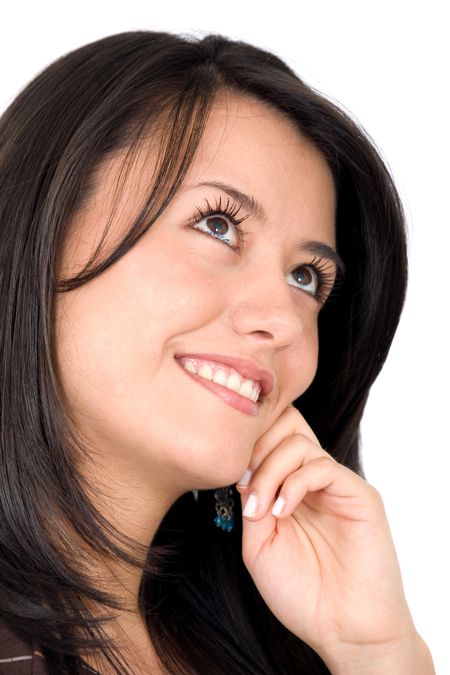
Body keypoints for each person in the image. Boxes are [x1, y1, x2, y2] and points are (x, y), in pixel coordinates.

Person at [0, 30, 435, 675]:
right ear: (42, 221)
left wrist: (374, 651)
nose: (282, 320)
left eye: (307, 277)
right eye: (217, 225)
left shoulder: (273, 643)